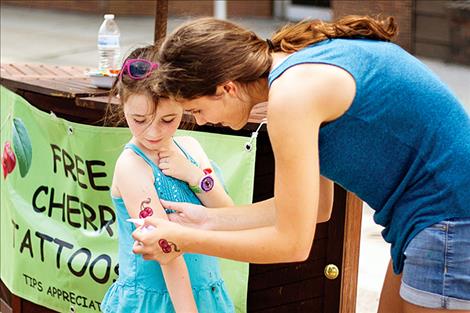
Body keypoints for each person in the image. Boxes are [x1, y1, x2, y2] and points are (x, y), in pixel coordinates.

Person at [131, 16, 470, 312]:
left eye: (197, 110)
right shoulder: (294, 70)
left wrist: (183, 239)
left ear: (227, 88)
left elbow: (292, 243)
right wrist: (206, 220)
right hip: (432, 217)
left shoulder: (291, 98)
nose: (202, 122)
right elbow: (317, 209)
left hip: (451, 218)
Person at [101, 46, 235, 313]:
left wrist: (194, 175)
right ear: (121, 103)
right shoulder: (132, 165)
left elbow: (229, 217)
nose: (152, 132)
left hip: (205, 292)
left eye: (168, 119)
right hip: (157, 302)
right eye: (139, 119)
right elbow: (167, 251)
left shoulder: (191, 148)